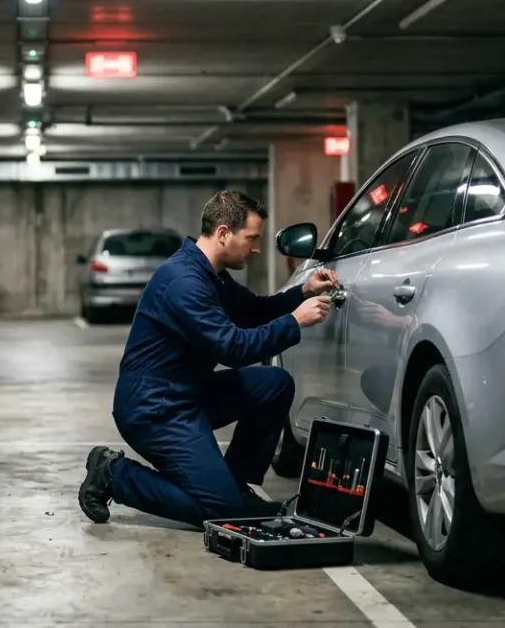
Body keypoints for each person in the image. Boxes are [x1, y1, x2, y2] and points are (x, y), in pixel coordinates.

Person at [78, 189, 336, 528]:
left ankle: (235, 485)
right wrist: (294, 322)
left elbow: (253, 310)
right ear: (224, 233)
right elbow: (232, 348)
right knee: (223, 513)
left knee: (275, 383)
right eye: (252, 239)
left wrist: (301, 292)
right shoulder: (185, 282)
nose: (256, 249)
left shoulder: (209, 274)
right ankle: (115, 474)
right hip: (155, 410)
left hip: (188, 394)